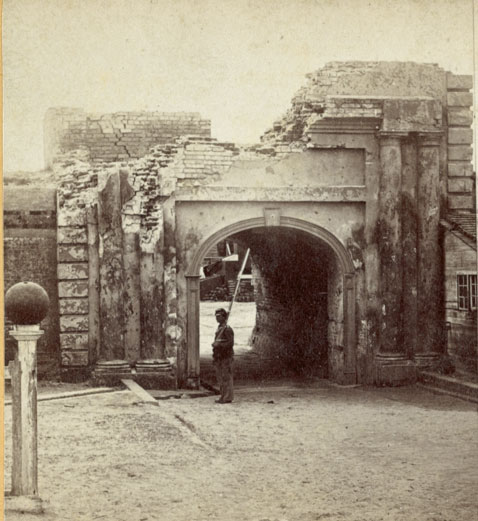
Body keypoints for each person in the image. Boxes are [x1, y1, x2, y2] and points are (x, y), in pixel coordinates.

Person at [212, 308, 234, 404]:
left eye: (219, 316)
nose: (217, 318)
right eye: (216, 316)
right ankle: (223, 396)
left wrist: (219, 345)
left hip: (225, 356)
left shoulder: (227, 329)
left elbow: (230, 343)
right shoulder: (220, 328)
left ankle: (227, 397)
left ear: (224, 317)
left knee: (226, 377)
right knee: (220, 377)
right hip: (219, 356)